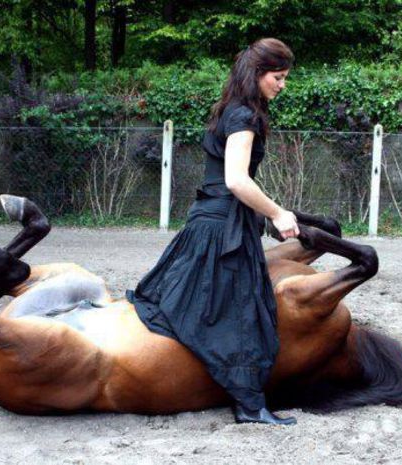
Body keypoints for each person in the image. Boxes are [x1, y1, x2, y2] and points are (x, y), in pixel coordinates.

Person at [126, 38, 298, 425]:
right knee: (243, 313)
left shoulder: (231, 109)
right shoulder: (244, 117)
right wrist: (278, 213)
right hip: (222, 227)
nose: (282, 85)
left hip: (212, 219)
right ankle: (249, 407)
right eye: (278, 77)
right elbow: (236, 180)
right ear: (258, 74)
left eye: (284, 77)